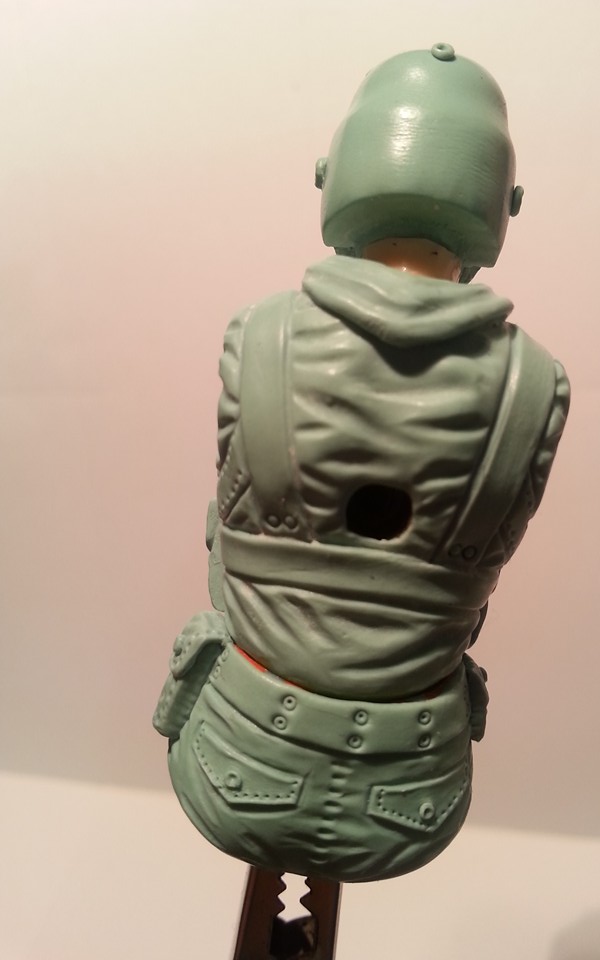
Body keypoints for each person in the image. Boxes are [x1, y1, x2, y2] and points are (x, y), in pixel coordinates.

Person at [154, 43, 569, 883]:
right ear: (506, 204)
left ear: (332, 175)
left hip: (236, 747)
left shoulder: (260, 338)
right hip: (411, 788)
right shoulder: (538, 384)